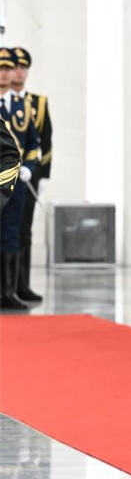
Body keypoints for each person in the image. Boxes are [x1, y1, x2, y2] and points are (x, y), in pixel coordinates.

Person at [0, 47, 39, 310]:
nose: (4, 74)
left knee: (11, 235)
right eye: (0, 69)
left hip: (13, 183)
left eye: (7, 69)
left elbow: (34, 144)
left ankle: (9, 291)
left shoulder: (23, 107)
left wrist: (30, 168)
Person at [10, 47, 50, 302]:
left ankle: (21, 284)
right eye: (14, 67)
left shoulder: (37, 103)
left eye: (23, 68)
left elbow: (45, 141)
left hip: (28, 176)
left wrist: (42, 175)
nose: (19, 72)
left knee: (24, 229)